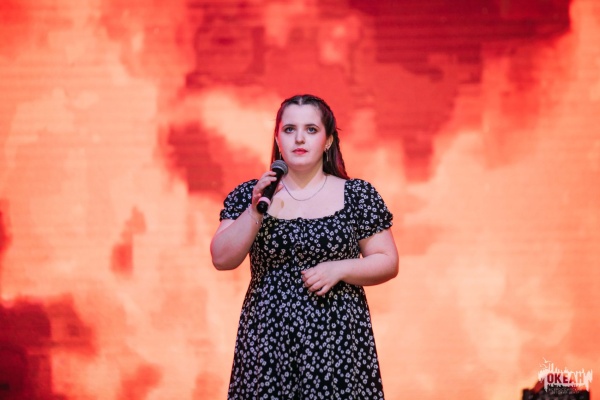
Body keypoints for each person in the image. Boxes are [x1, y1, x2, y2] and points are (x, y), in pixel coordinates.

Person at [210, 94, 399, 399]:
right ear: (277, 138)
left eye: (311, 129)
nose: (299, 138)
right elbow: (221, 258)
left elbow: (387, 260)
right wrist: (255, 210)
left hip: (337, 339)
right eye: (289, 130)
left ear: (328, 140)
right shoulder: (252, 194)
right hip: (268, 338)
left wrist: (339, 269)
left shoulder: (356, 195)